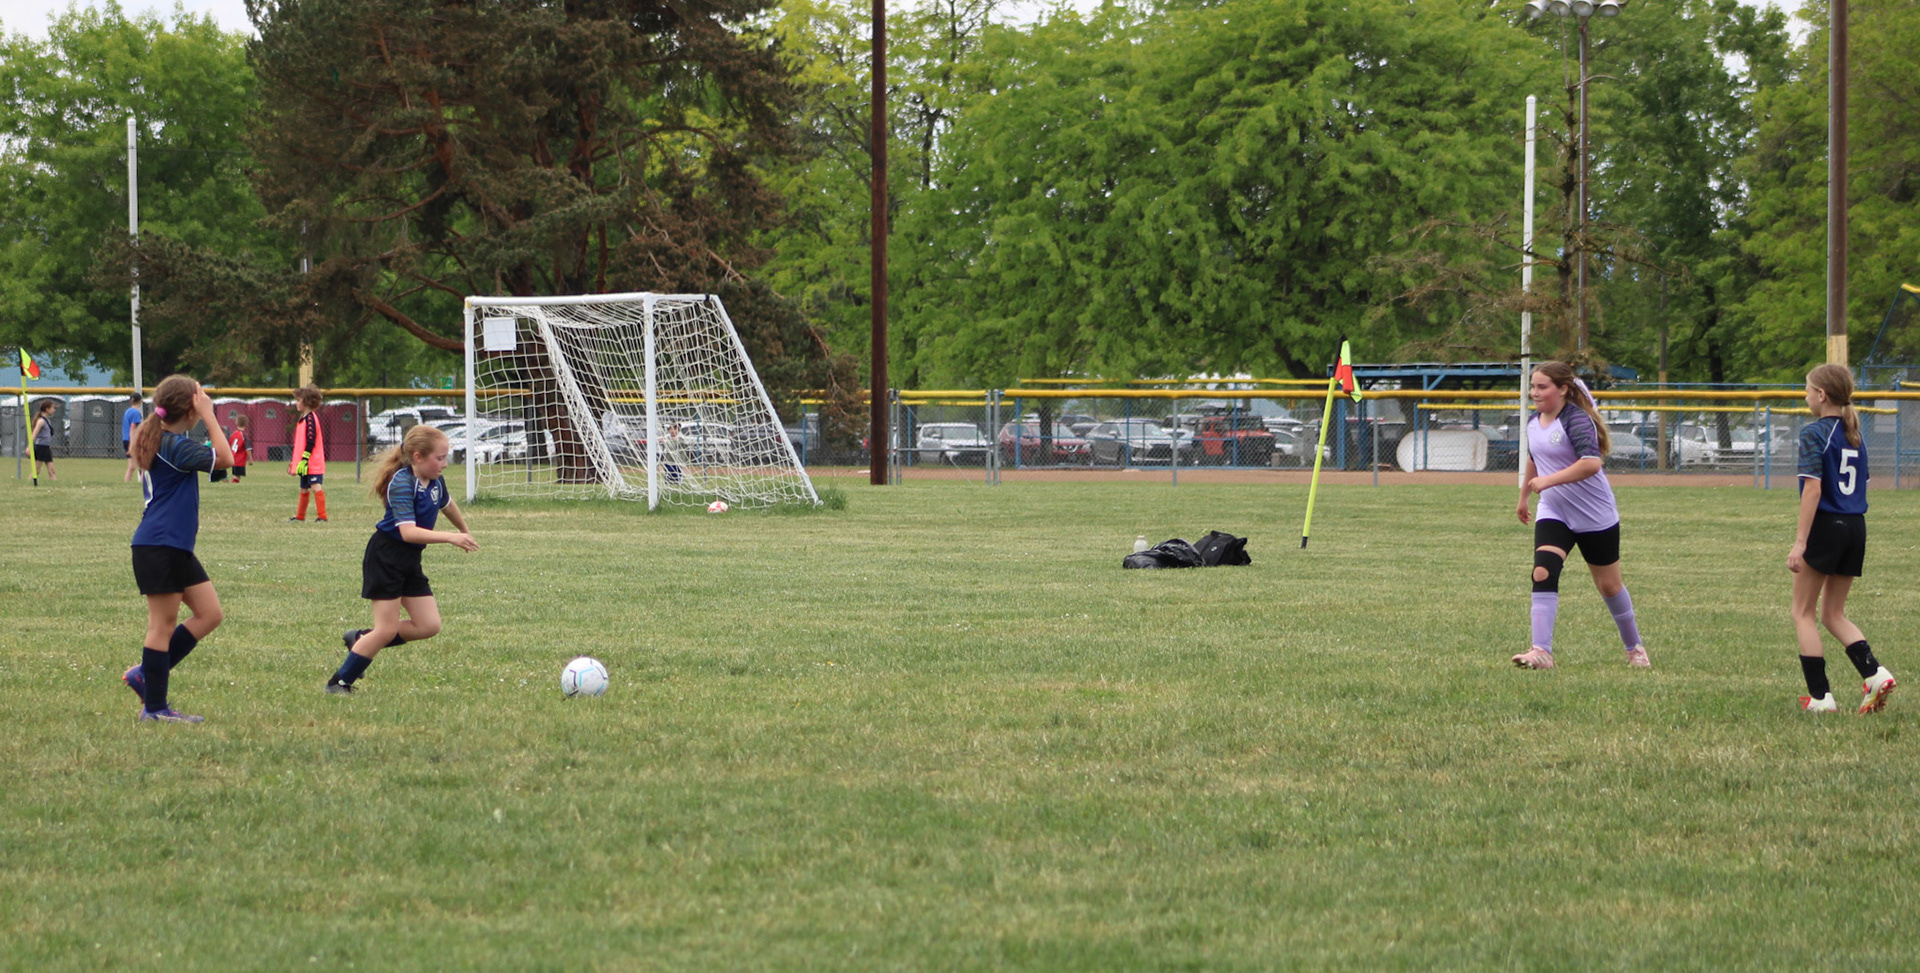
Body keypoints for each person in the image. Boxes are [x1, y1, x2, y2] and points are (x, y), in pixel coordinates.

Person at [1512, 361, 1648, 670]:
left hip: (1593, 513)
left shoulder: (1576, 420)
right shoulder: (1533, 421)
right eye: (1533, 386)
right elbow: (1534, 458)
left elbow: (1591, 463)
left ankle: (1635, 647)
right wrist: (1523, 497)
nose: (1534, 392)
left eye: (1542, 387)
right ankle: (1541, 651)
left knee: (1609, 586)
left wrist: (1548, 480)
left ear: (1562, 389)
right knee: (1543, 571)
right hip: (1554, 510)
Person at [327, 423, 478, 694]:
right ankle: (339, 683)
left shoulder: (434, 480)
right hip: (386, 558)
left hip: (409, 560)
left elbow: (447, 504)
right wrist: (450, 537)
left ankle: (361, 639)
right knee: (385, 630)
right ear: (418, 457)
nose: (445, 464)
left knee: (429, 625)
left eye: (445, 457)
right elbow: (408, 533)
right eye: (439, 458)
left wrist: (464, 531)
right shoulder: (401, 483)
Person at [121, 375, 235, 723]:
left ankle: (146, 674)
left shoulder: (167, 440)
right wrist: (210, 414)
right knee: (162, 625)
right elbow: (226, 458)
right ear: (190, 409)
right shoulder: (173, 445)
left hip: (171, 545)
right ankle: (155, 708)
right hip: (161, 545)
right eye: (199, 402)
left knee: (210, 614)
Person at [1789, 364, 1896, 714]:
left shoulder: (1814, 433)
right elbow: (1860, 484)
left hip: (1827, 525)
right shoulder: (1855, 435)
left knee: (1802, 612)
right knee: (1833, 613)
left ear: (1821, 395)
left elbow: (1813, 489)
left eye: (1808, 390)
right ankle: (1875, 674)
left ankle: (1821, 698)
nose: (1806, 396)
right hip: (1855, 527)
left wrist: (1801, 543)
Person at [287, 386, 328, 521]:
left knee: (315, 486)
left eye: (298, 400)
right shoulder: (303, 418)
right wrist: (295, 462)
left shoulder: (311, 419)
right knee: (304, 488)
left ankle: (322, 516)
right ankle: (300, 516)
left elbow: (311, 440)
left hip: (312, 462)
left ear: (307, 402)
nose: (296, 403)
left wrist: (305, 458)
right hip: (304, 463)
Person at [29, 400, 57, 483]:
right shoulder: (41, 421)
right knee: (37, 471)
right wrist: (29, 446)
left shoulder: (47, 421)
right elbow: (34, 434)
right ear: (47, 409)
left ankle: (55, 485)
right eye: (53, 408)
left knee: (51, 470)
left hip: (46, 447)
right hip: (40, 447)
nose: (54, 410)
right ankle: (28, 482)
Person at [122, 392, 143, 483]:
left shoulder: (127, 411)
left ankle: (126, 483)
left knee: (132, 466)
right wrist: (132, 443)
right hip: (132, 440)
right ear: (140, 401)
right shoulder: (136, 413)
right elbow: (133, 428)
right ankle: (142, 483)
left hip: (125, 439)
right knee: (143, 464)